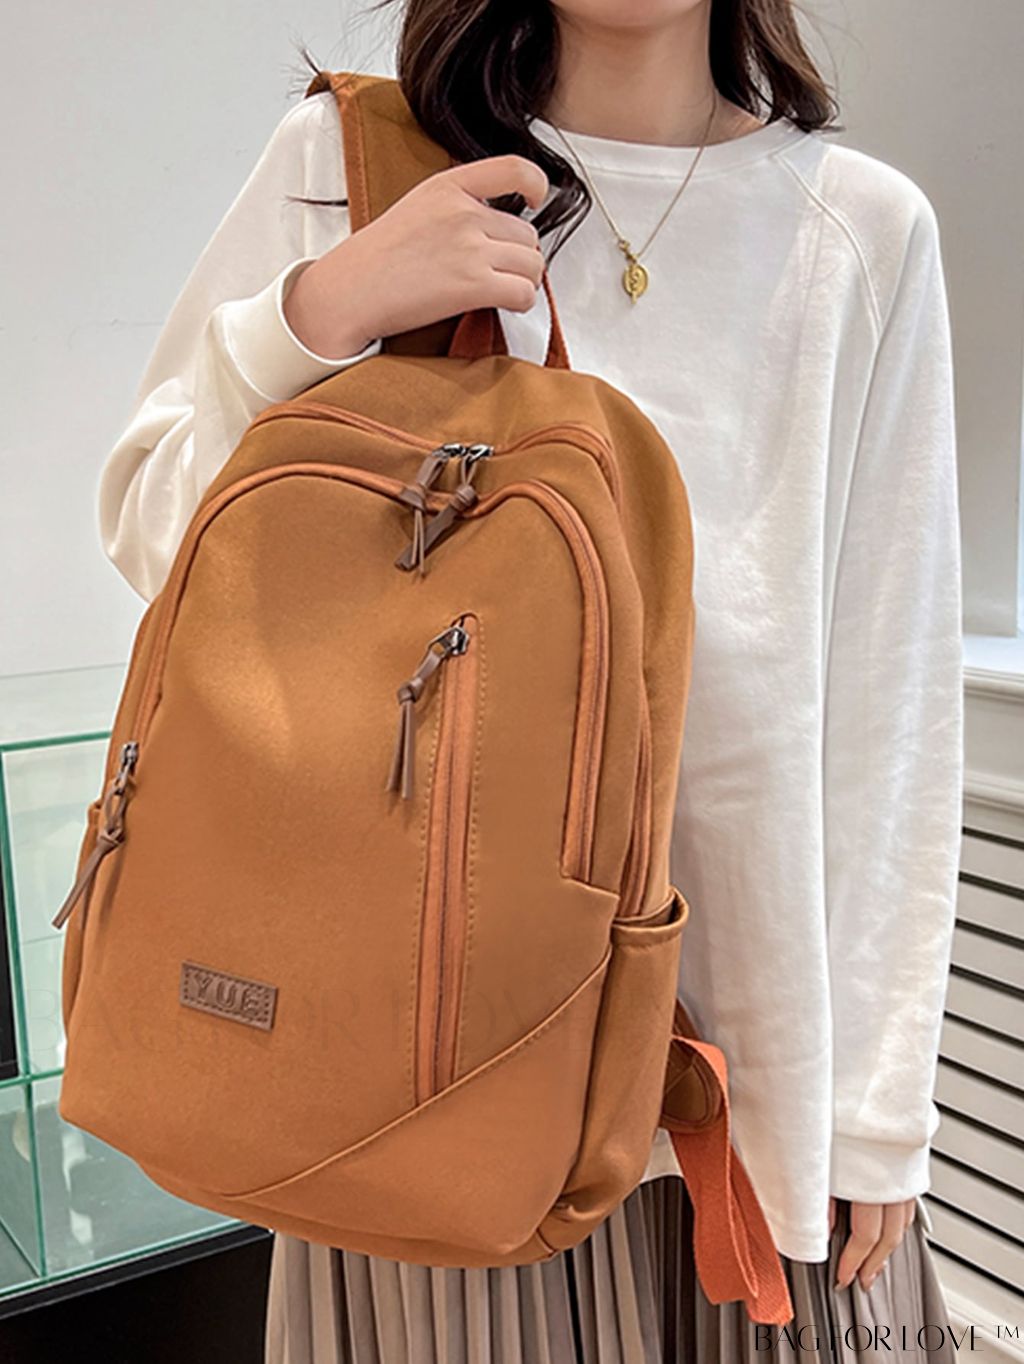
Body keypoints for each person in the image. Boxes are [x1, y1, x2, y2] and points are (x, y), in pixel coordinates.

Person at [95, 1, 964, 1359]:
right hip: (416, 1083)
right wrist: (321, 311)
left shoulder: (858, 230)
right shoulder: (352, 158)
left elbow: (888, 709)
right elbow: (159, 531)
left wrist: (875, 1114)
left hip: (743, 1116)